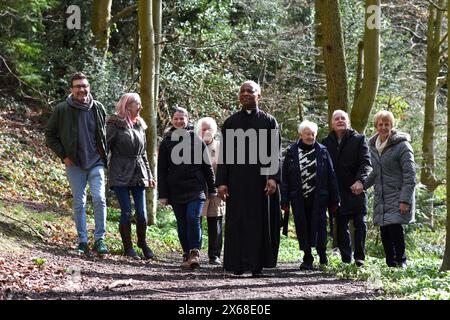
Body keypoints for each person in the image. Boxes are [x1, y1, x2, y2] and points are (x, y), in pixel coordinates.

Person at [216, 80, 281, 277]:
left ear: (258, 96)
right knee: (237, 222)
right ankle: (236, 264)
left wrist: (273, 178)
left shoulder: (270, 122)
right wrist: (222, 182)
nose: (245, 94)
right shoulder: (230, 122)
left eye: (250, 91)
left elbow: (275, 151)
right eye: (242, 91)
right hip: (236, 180)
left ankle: (256, 265)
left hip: (260, 181)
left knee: (258, 222)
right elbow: (224, 154)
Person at [45, 72, 108, 255]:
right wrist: (63, 155)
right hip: (74, 163)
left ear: (89, 87)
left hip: (96, 162)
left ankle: (99, 240)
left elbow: (103, 134)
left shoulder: (98, 108)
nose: (82, 89)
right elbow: (50, 135)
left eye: (84, 86)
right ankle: (82, 241)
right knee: (79, 202)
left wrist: (104, 154)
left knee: (99, 199)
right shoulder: (62, 109)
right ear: (71, 89)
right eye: (78, 86)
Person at [157, 107, 217, 269]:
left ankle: (194, 252)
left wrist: (212, 189)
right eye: (176, 118)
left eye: (182, 119)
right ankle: (186, 253)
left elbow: (207, 167)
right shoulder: (167, 142)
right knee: (182, 223)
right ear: (172, 120)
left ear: (187, 120)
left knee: (193, 218)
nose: (179, 121)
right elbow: (161, 170)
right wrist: (163, 194)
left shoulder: (196, 140)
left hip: (196, 188)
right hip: (175, 188)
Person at [281, 120, 339, 270]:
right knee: (302, 226)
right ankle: (307, 257)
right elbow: (285, 177)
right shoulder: (292, 152)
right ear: (301, 134)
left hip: (319, 197)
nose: (310, 137)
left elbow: (331, 175)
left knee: (320, 226)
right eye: (307, 134)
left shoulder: (323, 151)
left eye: (313, 134)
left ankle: (323, 257)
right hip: (299, 197)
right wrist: (285, 199)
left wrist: (335, 198)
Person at [363, 110, 415, 268]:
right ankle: (390, 263)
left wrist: (405, 200)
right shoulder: (373, 146)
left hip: (398, 194)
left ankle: (401, 261)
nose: (384, 127)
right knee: (384, 229)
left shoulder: (402, 145)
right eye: (381, 124)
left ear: (392, 126)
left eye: (387, 124)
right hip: (382, 195)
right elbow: (375, 172)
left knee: (395, 228)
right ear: (376, 126)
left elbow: (410, 175)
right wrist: (362, 185)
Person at [107, 93, 156, 260]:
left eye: (141, 104)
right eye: (138, 104)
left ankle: (142, 243)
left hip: (139, 172)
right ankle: (128, 248)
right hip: (120, 172)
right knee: (126, 212)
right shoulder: (114, 124)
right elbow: (104, 147)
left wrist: (149, 175)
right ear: (127, 105)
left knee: (142, 214)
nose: (140, 107)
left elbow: (143, 154)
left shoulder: (140, 125)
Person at [322, 110, 372, 267]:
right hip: (336, 192)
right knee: (340, 225)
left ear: (348, 122)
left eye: (343, 118)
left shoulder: (359, 139)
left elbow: (366, 163)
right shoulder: (325, 142)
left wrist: (360, 181)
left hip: (355, 189)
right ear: (332, 123)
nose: (340, 120)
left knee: (360, 223)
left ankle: (360, 258)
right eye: (336, 118)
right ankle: (345, 259)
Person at [196, 117, 226, 265]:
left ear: (214, 131)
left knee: (215, 224)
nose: (206, 132)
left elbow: (226, 170)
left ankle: (214, 255)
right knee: (196, 222)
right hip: (197, 191)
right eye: (203, 129)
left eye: (208, 129)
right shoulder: (192, 146)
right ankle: (194, 253)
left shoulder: (221, 147)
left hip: (216, 191)